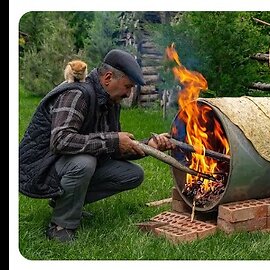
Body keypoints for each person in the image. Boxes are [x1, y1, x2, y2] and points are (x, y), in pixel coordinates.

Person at [19, 49, 175, 242]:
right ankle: (61, 226)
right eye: (127, 86)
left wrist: (148, 145)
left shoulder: (109, 101)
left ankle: (70, 204)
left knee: (133, 174)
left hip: (63, 163)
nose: (128, 94)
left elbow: (114, 148)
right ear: (108, 77)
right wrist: (113, 140)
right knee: (84, 162)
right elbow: (61, 140)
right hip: (41, 167)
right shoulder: (77, 93)